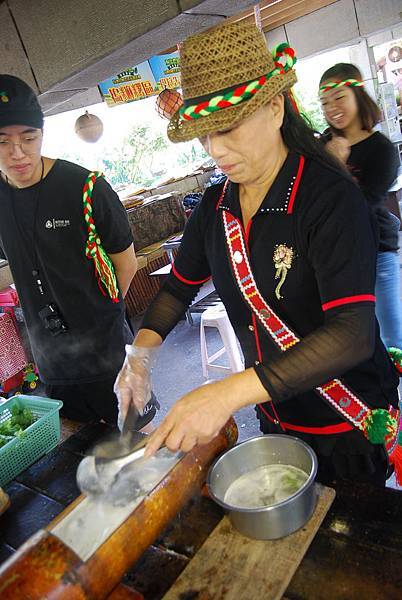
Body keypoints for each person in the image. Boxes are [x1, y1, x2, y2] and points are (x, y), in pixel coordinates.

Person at [114, 21, 401, 486]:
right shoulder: (216, 206)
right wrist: (139, 358)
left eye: (227, 129)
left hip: (345, 420)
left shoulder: (328, 198)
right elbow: (176, 289)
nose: (215, 150)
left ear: (274, 108)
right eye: (205, 136)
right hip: (277, 420)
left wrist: (226, 393)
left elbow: (351, 335)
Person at [0, 74, 159, 427]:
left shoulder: (87, 189)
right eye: (2, 142)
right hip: (51, 361)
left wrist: (102, 315)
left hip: (107, 352)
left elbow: (126, 264)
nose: (17, 153)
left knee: (136, 443)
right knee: (78, 450)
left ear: (42, 133)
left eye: (29, 138)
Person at [319, 63, 402, 350]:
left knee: (393, 339)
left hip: (377, 252)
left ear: (358, 95)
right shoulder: (322, 145)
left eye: (339, 97)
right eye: (325, 102)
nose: (332, 107)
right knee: (355, 345)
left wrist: (338, 166)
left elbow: (362, 207)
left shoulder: (383, 150)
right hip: (337, 259)